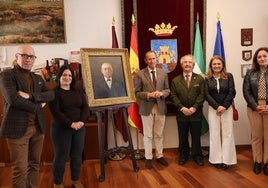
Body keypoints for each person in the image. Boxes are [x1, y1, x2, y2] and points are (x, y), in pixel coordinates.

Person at [0, 45, 55, 188]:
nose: (28, 59)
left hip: (38, 128)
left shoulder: (37, 77)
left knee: (35, 164)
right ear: (16, 56)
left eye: (31, 56)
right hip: (17, 130)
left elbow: (50, 94)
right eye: (24, 55)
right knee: (20, 169)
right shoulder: (7, 75)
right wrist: (39, 105)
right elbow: (14, 100)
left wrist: (30, 96)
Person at [48, 65, 89, 188]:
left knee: (77, 156)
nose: (67, 77)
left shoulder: (77, 90)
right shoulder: (54, 93)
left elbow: (85, 107)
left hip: (79, 128)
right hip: (61, 129)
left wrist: (81, 121)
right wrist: (71, 124)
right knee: (61, 157)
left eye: (70, 75)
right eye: (64, 75)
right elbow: (56, 113)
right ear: (59, 76)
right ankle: (58, 183)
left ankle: (76, 180)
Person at [135, 50, 170, 169]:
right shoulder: (140, 74)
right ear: (145, 61)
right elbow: (137, 93)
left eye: (154, 58)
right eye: (149, 59)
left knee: (159, 133)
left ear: (157, 59)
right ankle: (148, 157)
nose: (152, 61)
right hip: (146, 107)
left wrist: (161, 93)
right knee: (148, 134)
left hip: (160, 107)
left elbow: (168, 90)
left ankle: (159, 156)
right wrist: (149, 95)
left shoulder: (163, 73)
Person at [170, 54, 205, 166]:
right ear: (181, 65)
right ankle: (183, 155)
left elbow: (202, 95)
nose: (187, 64)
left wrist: (194, 107)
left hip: (196, 113)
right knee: (182, 136)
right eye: (185, 62)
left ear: (193, 64)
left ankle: (197, 155)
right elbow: (173, 96)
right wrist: (182, 108)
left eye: (190, 62)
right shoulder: (175, 80)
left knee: (196, 136)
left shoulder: (200, 78)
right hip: (182, 114)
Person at [204, 55, 237, 170]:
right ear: (211, 66)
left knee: (227, 133)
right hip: (213, 109)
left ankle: (227, 160)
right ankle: (216, 159)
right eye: (214, 64)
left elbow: (232, 91)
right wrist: (217, 106)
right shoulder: (207, 78)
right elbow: (206, 94)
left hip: (227, 109)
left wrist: (224, 106)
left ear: (222, 65)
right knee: (214, 133)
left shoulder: (229, 76)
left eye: (219, 64)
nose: (216, 66)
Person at [243, 47, 268, 175]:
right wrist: (255, 105)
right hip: (254, 108)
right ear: (256, 60)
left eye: (264, 56)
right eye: (259, 57)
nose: (262, 58)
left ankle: (267, 162)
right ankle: (257, 162)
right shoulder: (250, 73)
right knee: (257, 136)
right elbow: (246, 91)